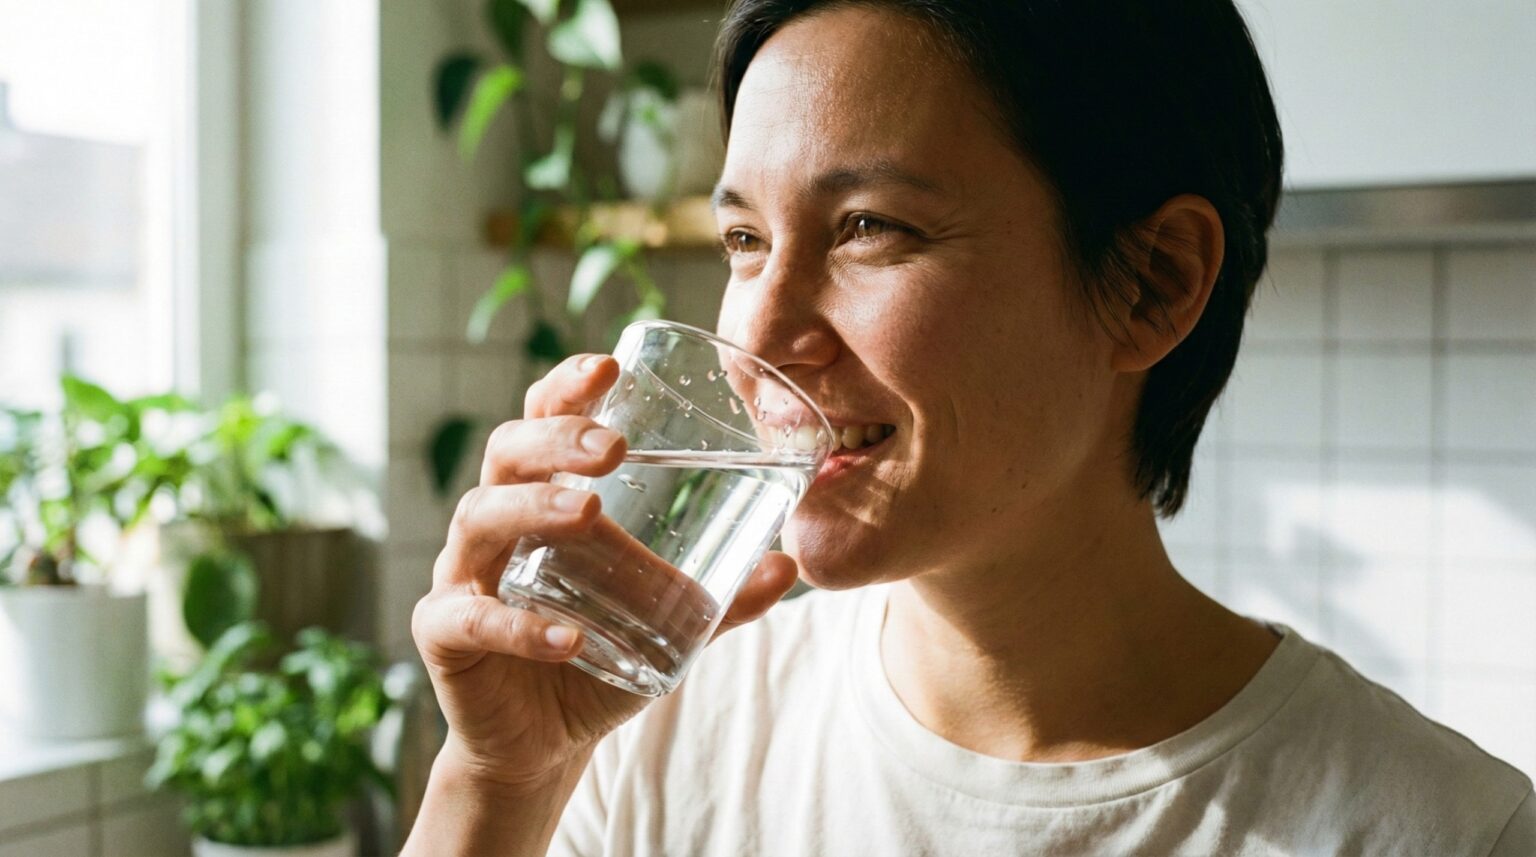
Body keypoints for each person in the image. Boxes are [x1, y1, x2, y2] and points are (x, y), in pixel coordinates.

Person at [403, 1, 1536, 854]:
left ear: (1154, 283)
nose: (765, 332)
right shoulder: (653, 740)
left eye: (868, 227)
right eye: (745, 240)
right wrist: (499, 780)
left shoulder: (1438, 828)